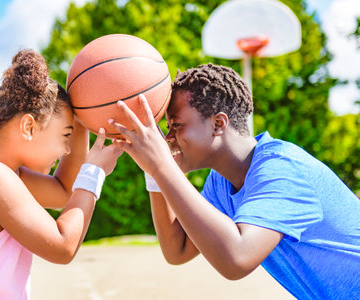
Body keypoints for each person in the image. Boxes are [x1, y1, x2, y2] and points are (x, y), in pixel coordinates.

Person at [109, 63, 360, 300]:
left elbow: (237, 259)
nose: (167, 138)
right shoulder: (221, 182)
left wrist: (161, 164)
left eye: (176, 125)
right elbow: (178, 249)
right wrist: (154, 174)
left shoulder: (282, 169)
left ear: (218, 124)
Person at [0, 49, 122, 299]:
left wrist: (81, 118)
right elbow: (62, 246)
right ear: (28, 127)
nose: (67, 150)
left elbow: (66, 191)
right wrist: (93, 172)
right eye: (65, 135)